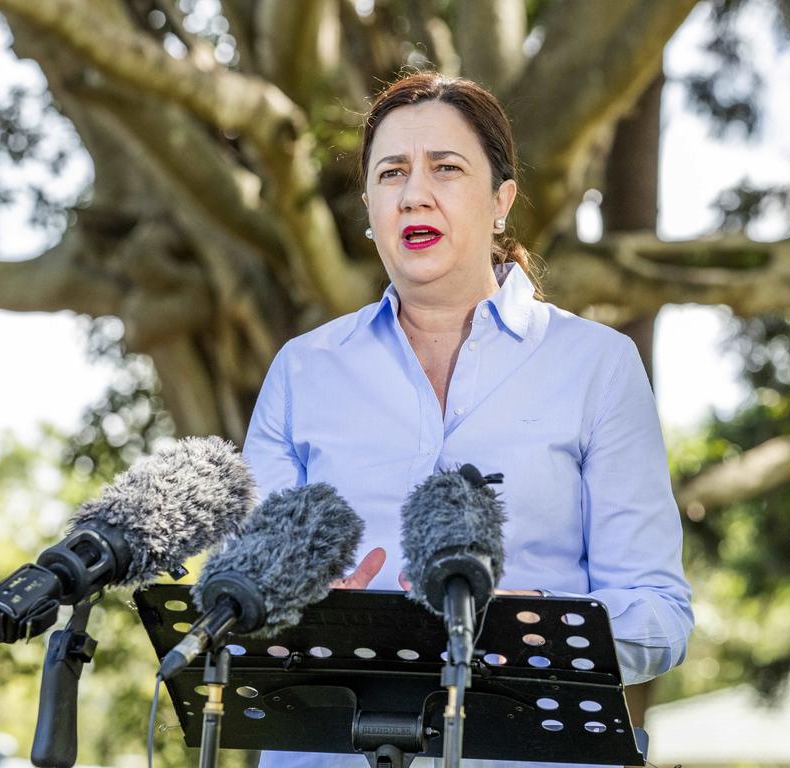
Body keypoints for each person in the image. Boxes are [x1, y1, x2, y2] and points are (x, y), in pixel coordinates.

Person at [242, 73, 693, 768]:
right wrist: (292, 612)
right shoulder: (303, 372)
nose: (414, 192)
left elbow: (659, 613)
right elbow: (239, 600)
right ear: (369, 207)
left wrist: (537, 626)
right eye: (392, 172)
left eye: (446, 168)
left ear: (501, 201)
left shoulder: (598, 365)